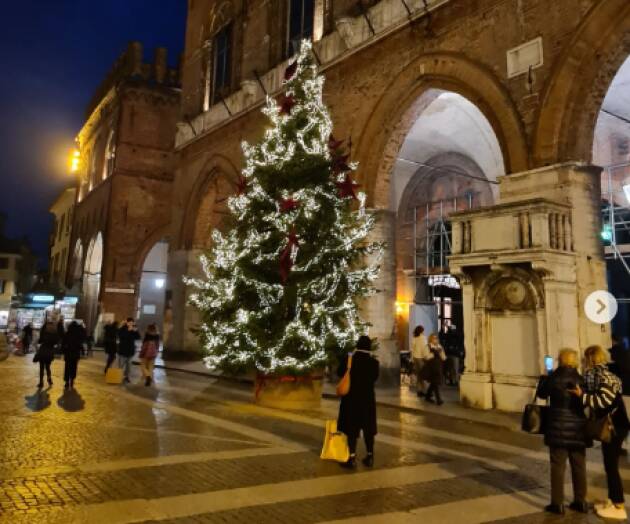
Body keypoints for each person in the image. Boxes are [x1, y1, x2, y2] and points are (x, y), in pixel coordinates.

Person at [570, 345, 630, 520]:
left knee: (611, 466)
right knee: (608, 464)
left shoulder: (603, 375)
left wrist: (582, 395)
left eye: (585, 358)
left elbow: (602, 400)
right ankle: (612, 499)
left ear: (591, 358)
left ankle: (619, 505)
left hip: (615, 426)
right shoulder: (598, 374)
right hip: (613, 425)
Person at [536, 348, 589, 515]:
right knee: (579, 466)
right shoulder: (581, 379)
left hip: (557, 426)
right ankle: (580, 501)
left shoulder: (554, 377)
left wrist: (545, 376)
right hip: (578, 427)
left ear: (560, 360)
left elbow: (542, 395)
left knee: (558, 466)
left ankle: (557, 504)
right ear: (574, 361)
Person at [337, 335, 379, 469]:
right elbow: (375, 378)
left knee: (351, 429)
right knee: (368, 429)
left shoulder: (350, 360)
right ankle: (370, 456)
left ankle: (352, 458)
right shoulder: (374, 362)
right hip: (367, 400)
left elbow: (339, 373)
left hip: (352, 400)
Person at [422, 333, 446, 405]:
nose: (435, 340)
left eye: (436, 338)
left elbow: (444, 357)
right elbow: (426, 356)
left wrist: (440, 353)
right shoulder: (428, 346)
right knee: (435, 382)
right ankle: (439, 399)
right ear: (431, 339)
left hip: (438, 367)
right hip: (431, 367)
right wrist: (433, 354)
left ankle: (427, 396)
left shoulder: (440, 347)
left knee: (434, 383)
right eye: (433, 338)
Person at [35, 322, 59, 388]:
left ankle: (41, 382)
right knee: (48, 367)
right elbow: (56, 343)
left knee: (41, 368)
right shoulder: (54, 334)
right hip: (50, 352)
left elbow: (40, 341)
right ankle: (49, 379)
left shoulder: (44, 333)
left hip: (43, 351)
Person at [62, 321, 85, 389]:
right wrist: (82, 351)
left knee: (67, 367)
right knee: (74, 367)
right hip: (75, 354)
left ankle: (66, 381)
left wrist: (63, 351)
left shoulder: (67, 333)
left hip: (68, 353)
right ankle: (72, 380)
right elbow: (80, 344)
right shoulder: (78, 335)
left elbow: (63, 343)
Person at [118, 318, 140, 383]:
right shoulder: (122, 328)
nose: (131, 324)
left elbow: (138, 337)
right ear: (127, 322)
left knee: (129, 367)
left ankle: (127, 377)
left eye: (132, 323)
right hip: (122, 351)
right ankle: (119, 377)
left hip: (130, 351)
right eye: (129, 322)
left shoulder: (134, 329)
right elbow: (121, 336)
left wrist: (135, 331)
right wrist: (128, 331)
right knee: (121, 365)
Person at [411, 325, 429, 397]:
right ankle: (425, 391)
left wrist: (412, 358)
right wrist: (427, 357)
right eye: (423, 330)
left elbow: (412, 349)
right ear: (421, 331)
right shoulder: (423, 338)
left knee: (419, 375)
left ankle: (419, 390)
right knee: (423, 375)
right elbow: (424, 348)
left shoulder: (414, 338)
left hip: (415, 358)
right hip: (421, 358)